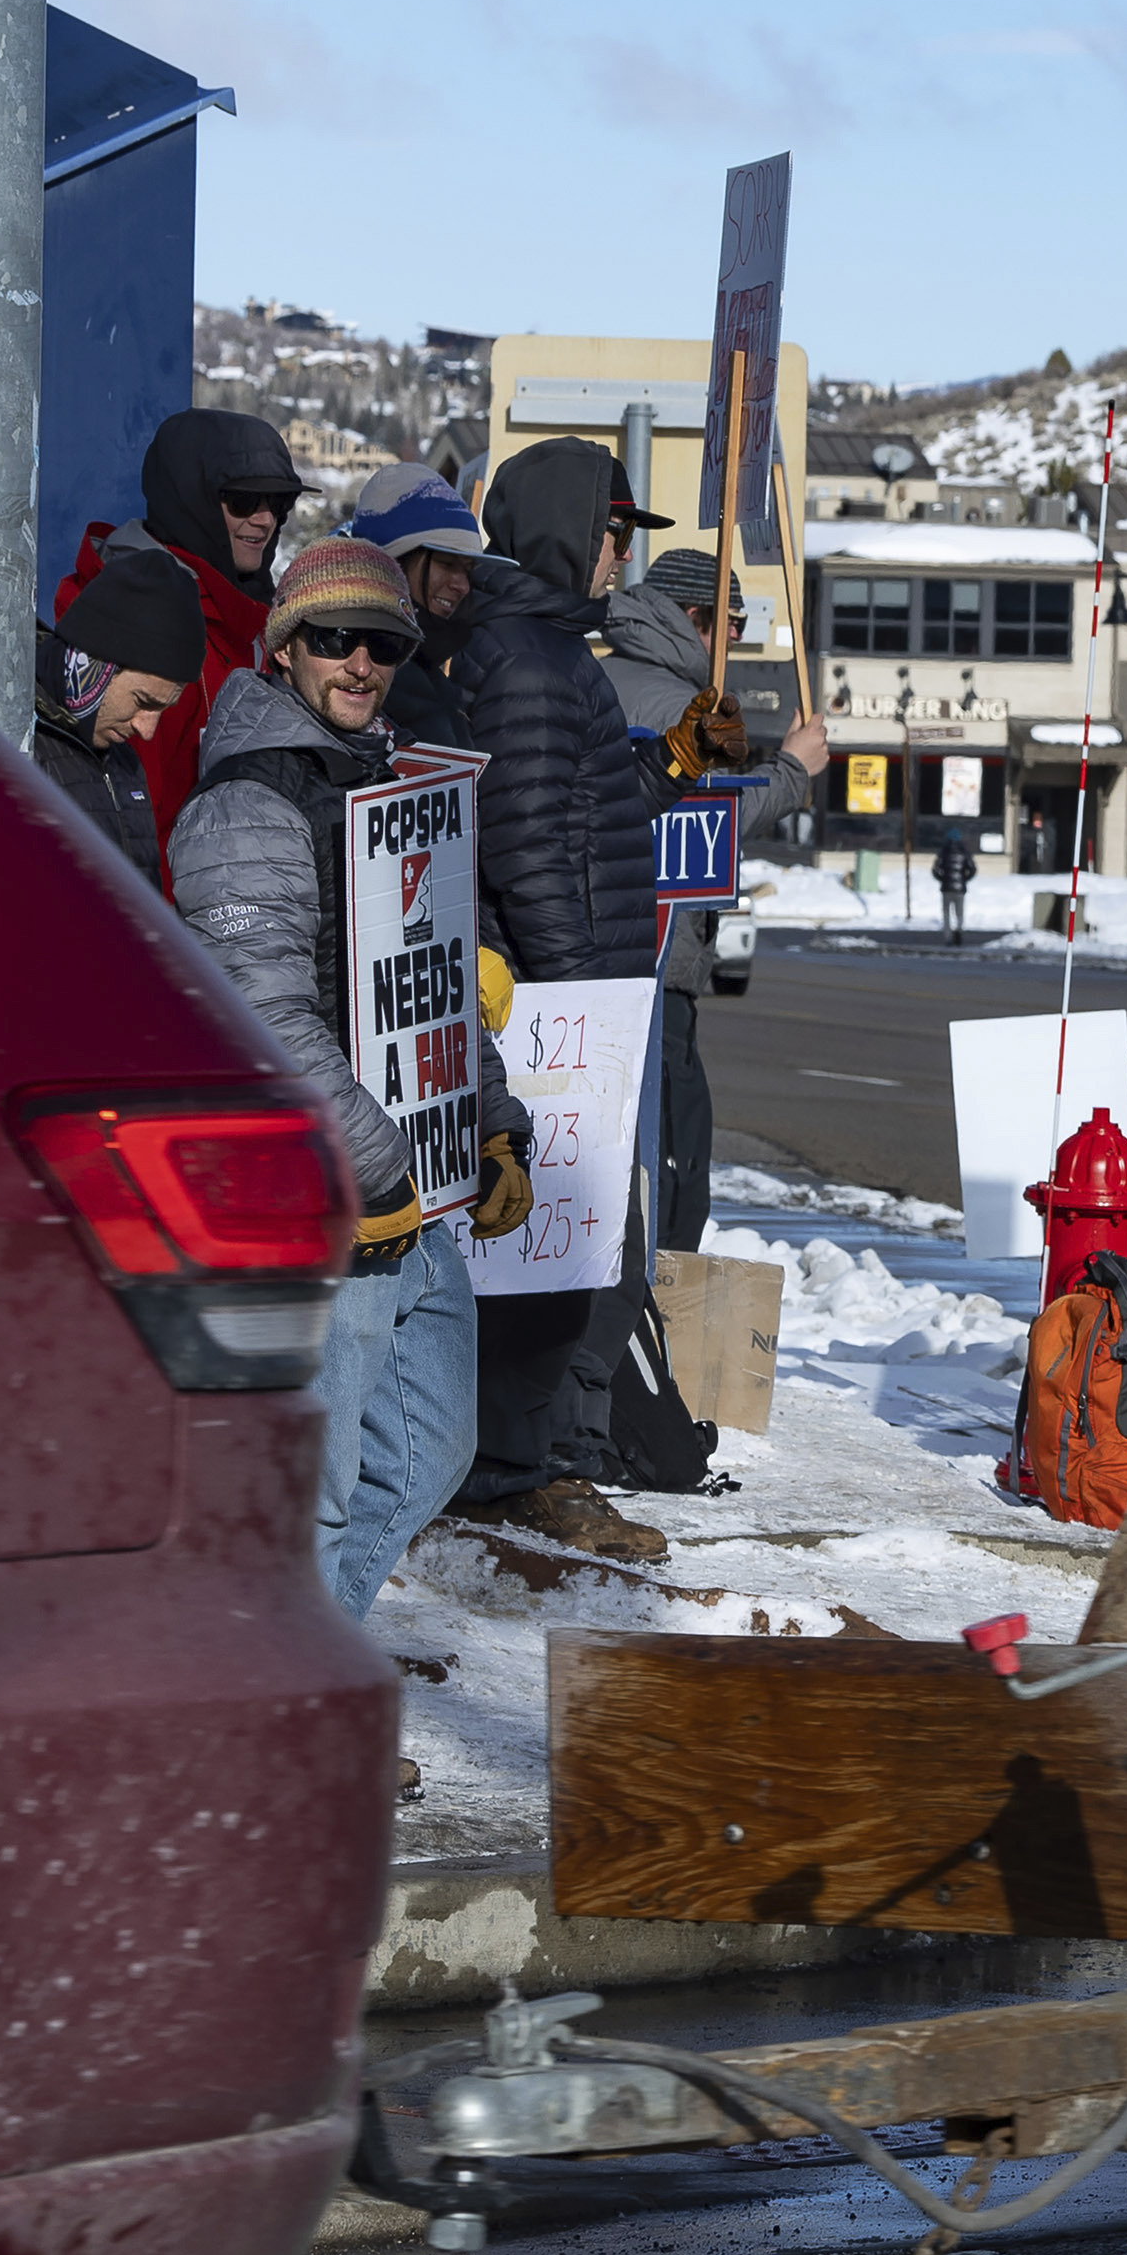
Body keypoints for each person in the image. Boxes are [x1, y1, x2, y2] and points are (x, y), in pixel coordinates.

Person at [164, 539, 534, 1618]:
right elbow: (263, 1018)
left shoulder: (392, 781)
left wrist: (490, 1124)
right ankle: (288, 1727)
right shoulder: (246, 803)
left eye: (382, 641)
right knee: (312, 1499)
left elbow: (439, 980)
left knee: (430, 1454)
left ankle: (308, 1674)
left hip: (405, 1195)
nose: (360, 662)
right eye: (333, 639)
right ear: (285, 650)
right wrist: (380, 1169)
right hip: (324, 1204)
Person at [436, 437, 675, 1546]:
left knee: (545, 1257)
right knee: (534, 1261)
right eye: (614, 532)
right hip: (544, 1004)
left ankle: (509, 1465)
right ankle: (503, 1475)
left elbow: (558, 807)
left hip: (553, 990)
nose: (620, 557)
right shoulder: (530, 658)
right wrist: (582, 1001)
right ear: (568, 535)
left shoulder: (534, 649)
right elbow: (527, 842)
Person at [607, 545, 828, 1249]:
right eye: (730, 623)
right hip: (654, 960)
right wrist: (793, 770)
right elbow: (713, 815)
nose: (736, 638)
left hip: (616, 957)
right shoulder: (676, 705)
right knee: (671, 1171)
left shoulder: (601, 675)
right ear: (695, 619)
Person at [54, 409, 307, 851]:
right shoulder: (139, 626)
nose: (265, 520)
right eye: (244, 502)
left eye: (280, 503)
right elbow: (131, 822)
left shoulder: (254, 617)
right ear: (192, 501)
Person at [25, 531, 207, 882]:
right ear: (98, 662)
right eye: (143, 701)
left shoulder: (122, 759)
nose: (147, 729)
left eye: (162, 709)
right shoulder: (13, 737)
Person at [348, 469, 497, 757]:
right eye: (446, 564)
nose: (462, 586)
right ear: (392, 563)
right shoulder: (361, 678)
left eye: (468, 570)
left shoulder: (431, 678)